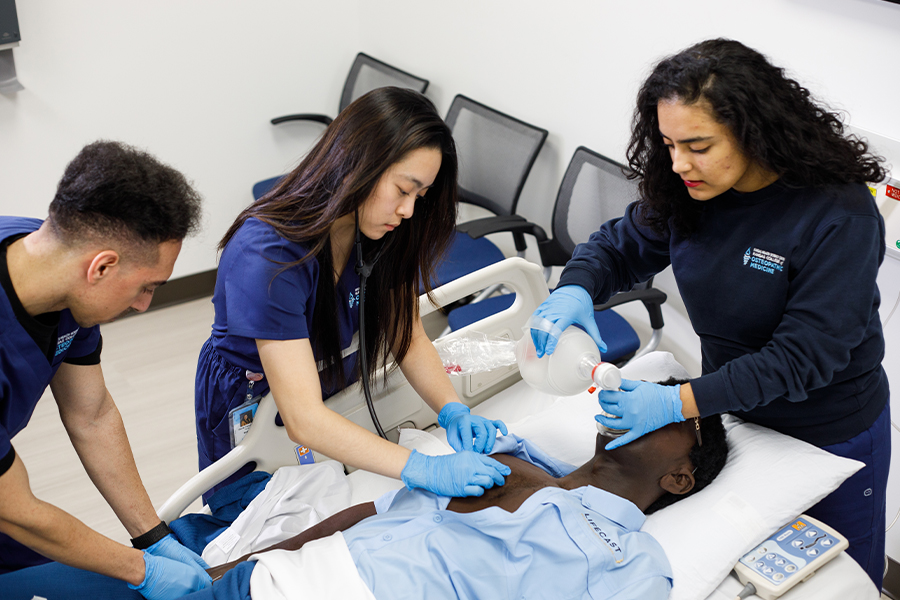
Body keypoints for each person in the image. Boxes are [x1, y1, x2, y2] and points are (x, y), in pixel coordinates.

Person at [531, 38, 890, 587]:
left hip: (827, 425)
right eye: (668, 143)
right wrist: (574, 289)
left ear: (755, 131)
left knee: (839, 580)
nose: (678, 163)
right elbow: (618, 246)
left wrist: (676, 401)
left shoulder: (838, 214)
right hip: (731, 406)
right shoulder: (687, 188)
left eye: (697, 145)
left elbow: (804, 357)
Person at [0, 381, 729, 600]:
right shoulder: (511, 459)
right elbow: (365, 513)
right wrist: (235, 563)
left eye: (674, 413)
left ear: (680, 475)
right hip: (276, 579)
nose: (646, 402)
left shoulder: (636, 561)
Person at [195, 87, 509, 501]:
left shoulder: (381, 231)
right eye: (403, 189)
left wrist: (451, 409)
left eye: (420, 196)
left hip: (325, 386)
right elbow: (303, 418)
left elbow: (407, 334)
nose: (409, 210)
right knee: (255, 523)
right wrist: (421, 467)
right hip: (255, 400)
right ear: (355, 165)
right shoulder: (267, 255)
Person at [0, 141, 213, 598]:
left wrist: (151, 537)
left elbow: (90, 414)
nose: (143, 305)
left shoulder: (50, 263)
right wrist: (142, 569)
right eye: (145, 287)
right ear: (101, 267)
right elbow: (13, 509)